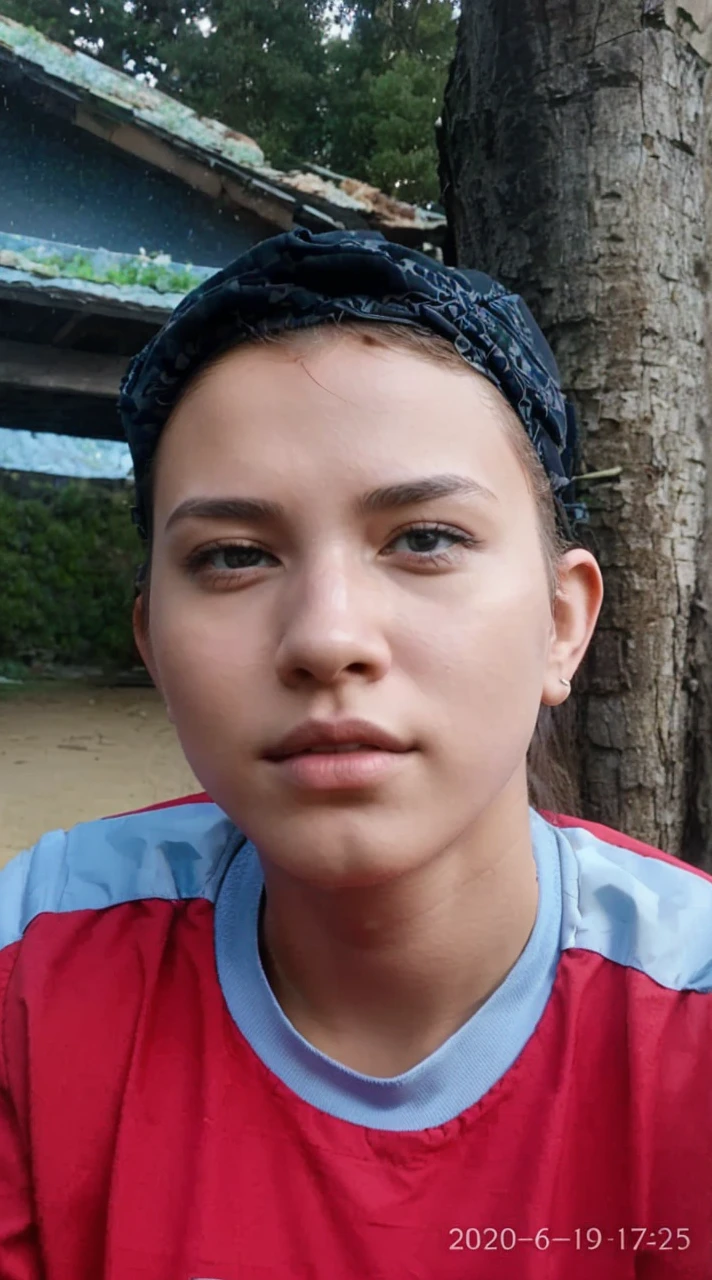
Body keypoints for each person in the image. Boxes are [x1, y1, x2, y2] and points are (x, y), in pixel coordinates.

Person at [0, 228, 710, 1280]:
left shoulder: (687, 1019)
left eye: (423, 538)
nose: (327, 635)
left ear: (562, 622)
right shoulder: (34, 963)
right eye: (233, 555)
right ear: (153, 643)